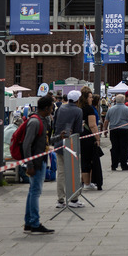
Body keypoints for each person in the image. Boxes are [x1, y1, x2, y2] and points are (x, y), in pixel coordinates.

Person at [21, 96, 55, 234]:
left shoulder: (42, 120)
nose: (52, 110)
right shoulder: (35, 122)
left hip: (39, 160)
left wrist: (59, 138)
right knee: (35, 192)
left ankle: (29, 222)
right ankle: (34, 223)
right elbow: (26, 144)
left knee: (33, 191)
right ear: (46, 108)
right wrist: (29, 164)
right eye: (51, 107)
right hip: (36, 163)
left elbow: (44, 141)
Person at [54, 91, 85, 210]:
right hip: (71, 144)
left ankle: (60, 199)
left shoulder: (60, 108)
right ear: (77, 100)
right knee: (73, 171)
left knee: (61, 172)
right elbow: (78, 129)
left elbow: (55, 124)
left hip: (59, 142)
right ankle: (73, 198)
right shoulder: (78, 111)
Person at [106, 94, 128, 171]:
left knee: (114, 147)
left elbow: (106, 120)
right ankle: (124, 165)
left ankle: (114, 165)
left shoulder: (111, 109)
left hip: (113, 130)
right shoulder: (127, 109)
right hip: (124, 130)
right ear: (123, 100)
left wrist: (105, 129)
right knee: (124, 147)